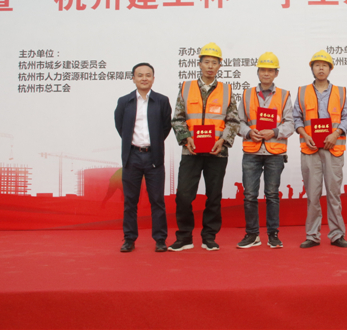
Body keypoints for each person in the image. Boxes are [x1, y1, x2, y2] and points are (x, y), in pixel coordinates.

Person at [169, 43, 240, 252]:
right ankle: (184, 237)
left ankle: (209, 236)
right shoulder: (186, 87)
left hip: (217, 152)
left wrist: (223, 140)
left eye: (214, 62)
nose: (210, 66)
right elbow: (177, 119)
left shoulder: (226, 90)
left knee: (214, 196)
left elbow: (233, 121)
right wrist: (185, 139)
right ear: (199, 64)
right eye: (206, 62)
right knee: (183, 195)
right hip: (190, 151)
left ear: (220, 66)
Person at [293, 50, 347, 248]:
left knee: (334, 194)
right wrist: (305, 134)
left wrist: (336, 134)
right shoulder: (302, 92)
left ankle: (337, 234)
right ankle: (312, 235)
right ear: (312, 68)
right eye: (317, 65)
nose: (321, 68)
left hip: (333, 149)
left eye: (324, 65)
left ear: (330, 69)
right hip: (310, 149)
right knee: (313, 194)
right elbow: (296, 117)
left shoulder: (340, 92)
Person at [236, 52, 294, 249]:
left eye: (270, 70)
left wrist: (275, 132)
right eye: (263, 70)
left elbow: (290, 123)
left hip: (274, 152)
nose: (266, 73)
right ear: (258, 72)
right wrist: (248, 132)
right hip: (251, 151)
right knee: (249, 195)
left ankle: (273, 234)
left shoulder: (284, 95)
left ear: (276, 73)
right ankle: (252, 234)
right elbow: (238, 122)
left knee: (272, 194)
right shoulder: (247, 94)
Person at [114, 63, 172, 253]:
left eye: (148, 75)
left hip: (154, 156)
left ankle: (160, 239)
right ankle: (129, 239)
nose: (144, 78)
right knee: (130, 201)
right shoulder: (124, 101)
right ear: (133, 78)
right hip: (132, 157)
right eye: (140, 75)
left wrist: (153, 143)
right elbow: (120, 126)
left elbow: (166, 127)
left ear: (153, 78)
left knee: (157, 200)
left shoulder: (162, 101)